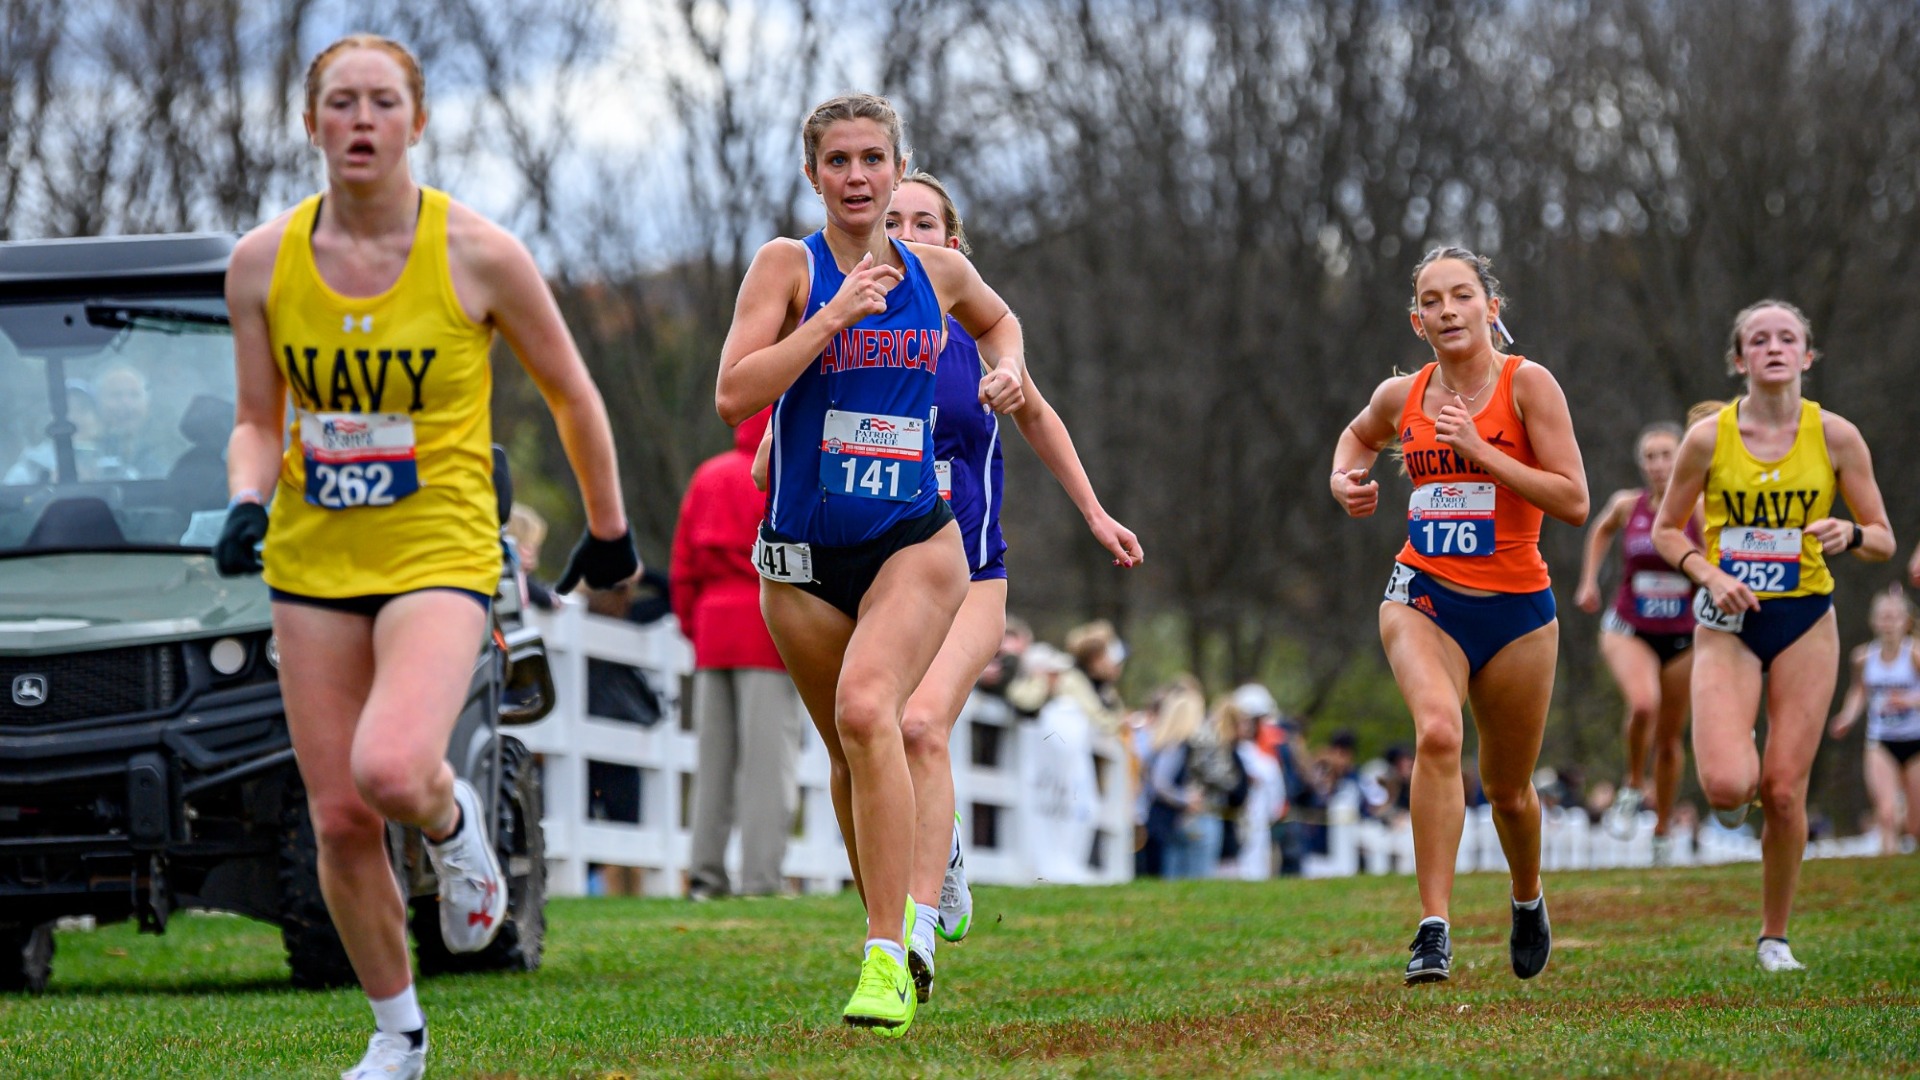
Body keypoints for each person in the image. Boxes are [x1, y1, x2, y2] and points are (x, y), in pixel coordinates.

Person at [215, 35, 637, 1080]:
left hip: (438, 548)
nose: (362, 120)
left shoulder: (478, 253)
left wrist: (609, 524)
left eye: (383, 102)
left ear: (418, 120)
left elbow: (572, 392)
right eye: (342, 103)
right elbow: (258, 418)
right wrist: (241, 496)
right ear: (311, 123)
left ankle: (454, 825)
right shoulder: (262, 262)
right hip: (314, 557)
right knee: (341, 814)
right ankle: (397, 1034)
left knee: (394, 768)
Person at [713, 92, 1028, 1037]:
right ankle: (895, 905)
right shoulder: (786, 266)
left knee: (869, 710)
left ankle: (890, 955)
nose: (857, 177)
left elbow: (1000, 319)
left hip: (913, 542)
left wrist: (1005, 366)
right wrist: (828, 320)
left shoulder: (937, 269)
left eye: (873, 159)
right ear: (814, 175)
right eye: (839, 162)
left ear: (898, 168)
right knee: (853, 756)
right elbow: (734, 393)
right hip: (801, 558)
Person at [882, 170, 1141, 1001]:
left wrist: (1096, 513)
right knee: (882, 732)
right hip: (884, 570)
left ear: (954, 244)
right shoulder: (856, 327)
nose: (911, 232)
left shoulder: (977, 333)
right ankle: (943, 847)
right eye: (895, 221)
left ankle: (914, 936)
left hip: (973, 573)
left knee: (923, 723)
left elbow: (1037, 415)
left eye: (927, 221)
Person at [1331, 246, 1589, 985]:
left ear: (1490, 309)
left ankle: (1527, 896)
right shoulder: (1402, 395)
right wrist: (1344, 479)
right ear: (1417, 320)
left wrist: (1481, 450)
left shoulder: (1528, 384)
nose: (1448, 311)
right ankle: (1434, 927)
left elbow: (1573, 501)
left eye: (1462, 296)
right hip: (1423, 594)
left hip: (1517, 613)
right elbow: (1357, 438)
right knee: (1438, 733)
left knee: (1510, 790)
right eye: (1433, 301)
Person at [1652, 298, 1895, 973]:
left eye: (1788, 338)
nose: (1774, 348)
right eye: (1759, 340)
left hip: (1805, 618)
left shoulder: (1837, 436)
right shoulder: (1709, 439)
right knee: (1730, 789)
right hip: (1729, 620)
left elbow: (1883, 538)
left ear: (1807, 356)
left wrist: (1849, 533)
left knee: (1785, 792)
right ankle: (1738, 761)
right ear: (1740, 360)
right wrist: (1706, 572)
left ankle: (1775, 937)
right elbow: (1667, 530)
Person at [673, 406, 806, 900]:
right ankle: (761, 879)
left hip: (712, 629)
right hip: (767, 627)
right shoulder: (784, 470)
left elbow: (682, 564)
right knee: (768, 767)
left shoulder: (707, 477)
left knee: (712, 763)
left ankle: (705, 875)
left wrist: (693, 626)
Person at [1575, 422, 1704, 863]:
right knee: (1643, 704)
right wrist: (1589, 581)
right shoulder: (1628, 505)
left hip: (1684, 636)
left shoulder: (1700, 509)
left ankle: (1663, 830)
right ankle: (1632, 783)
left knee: (1669, 741)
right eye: (1651, 456)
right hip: (1628, 626)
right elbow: (1600, 529)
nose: (1659, 465)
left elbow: (1722, 555)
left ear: (1683, 457)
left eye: (1667, 454)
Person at [1828, 586, 1920, 856]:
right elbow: (1859, 692)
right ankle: (1887, 862)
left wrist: (1909, 701)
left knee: (1915, 824)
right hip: (1880, 742)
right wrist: (1847, 717)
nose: (1888, 623)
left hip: (1916, 741)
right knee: (1887, 812)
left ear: (1906, 621)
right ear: (1873, 621)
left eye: (1894, 617)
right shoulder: (1862, 657)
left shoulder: (1914, 655)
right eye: (1883, 617)